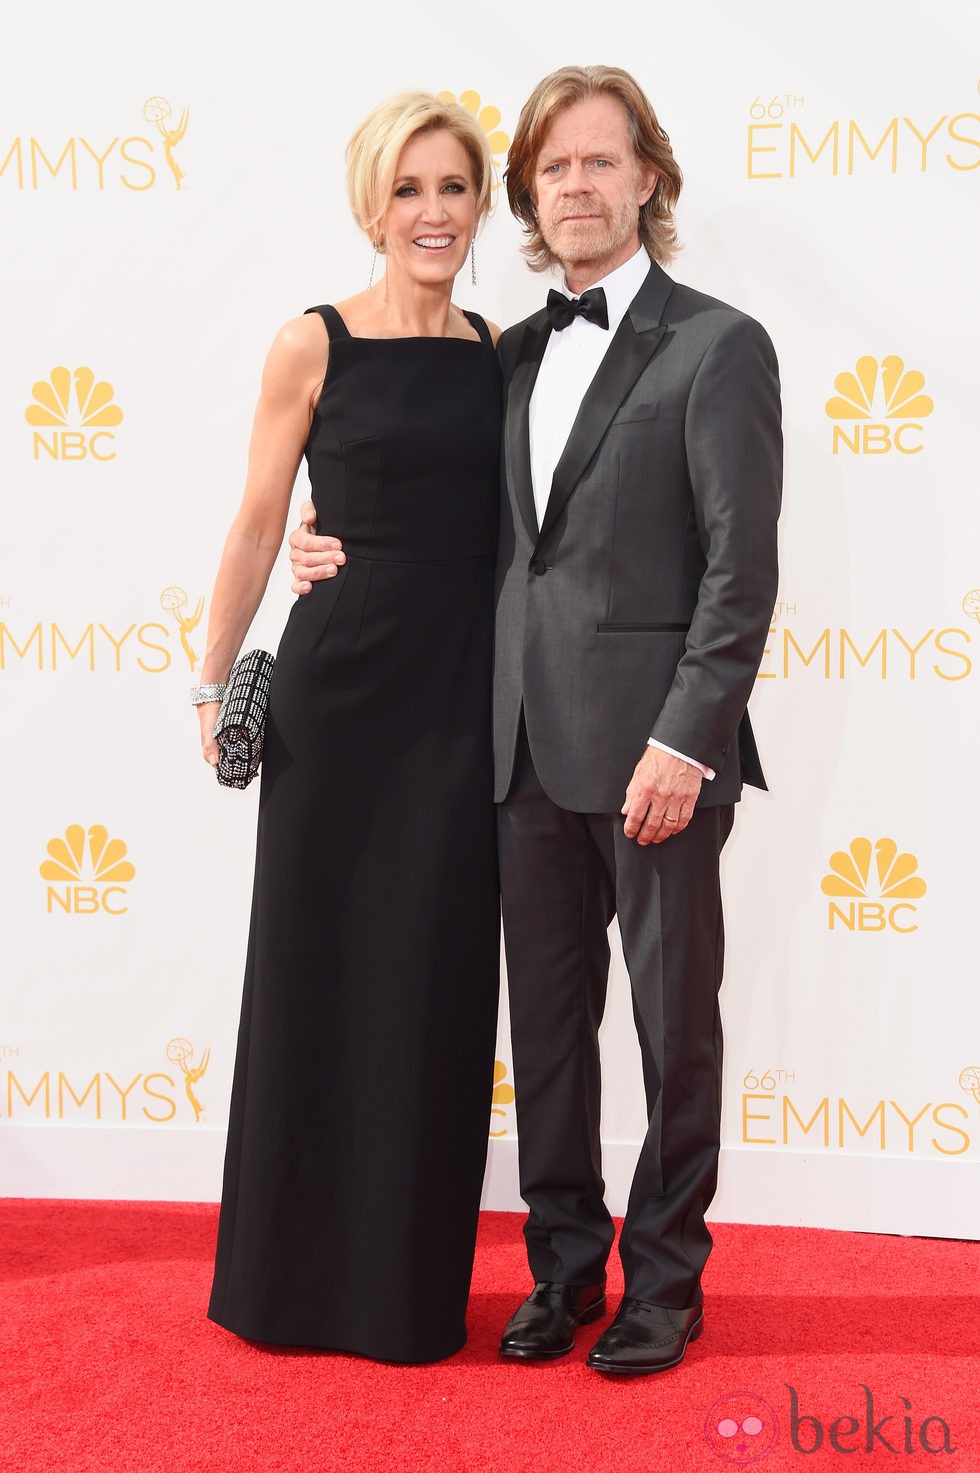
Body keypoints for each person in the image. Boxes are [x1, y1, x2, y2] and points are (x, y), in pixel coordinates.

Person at [290, 65, 782, 1376]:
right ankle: (564, 1266)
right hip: (514, 751)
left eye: (599, 162)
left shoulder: (719, 344)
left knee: (674, 1028)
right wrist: (317, 540)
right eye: (552, 167)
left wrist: (689, 736)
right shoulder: (501, 353)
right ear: (532, 195)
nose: (575, 185)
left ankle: (666, 1283)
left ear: (649, 180)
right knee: (548, 1033)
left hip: (659, 753)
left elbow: (741, 567)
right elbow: (429, 502)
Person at [193, 92, 503, 1364]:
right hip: (339, 695)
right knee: (315, 971)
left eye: (453, 188)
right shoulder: (309, 343)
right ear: (371, 205)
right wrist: (213, 686)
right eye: (408, 189)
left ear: (482, 205)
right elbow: (262, 524)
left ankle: (402, 1291)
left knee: (429, 984)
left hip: (459, 702)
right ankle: (288, 1283)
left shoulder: (503, 347)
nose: (431, 213)